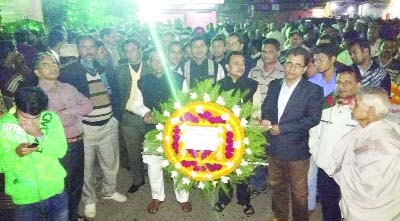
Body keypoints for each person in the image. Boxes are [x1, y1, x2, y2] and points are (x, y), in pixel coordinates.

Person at [59, 35, 126, 219]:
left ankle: (109, 190)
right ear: (78, 50)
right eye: (84, 47)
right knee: (86, 167)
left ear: (97, 48)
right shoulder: (70, 72)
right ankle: (89, 200)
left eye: (91, 47)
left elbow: (117, 93)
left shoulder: (105, 68)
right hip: (85, 128)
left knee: (111, 162)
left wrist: (116, 118)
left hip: (109, 125)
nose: (88, 51)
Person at [261, 47, 323, 221]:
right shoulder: (274, 85)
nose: (291, 68)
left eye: (297, 65)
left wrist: (283, 128)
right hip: (274, 146)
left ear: (304, 69)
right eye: (289, 63)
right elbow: (267, 108)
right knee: (276, 186)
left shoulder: (313, 90)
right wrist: (266, 119)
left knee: (299, 192)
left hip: (297, 149)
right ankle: (279, 217)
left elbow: (312, 119)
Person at [130, 47, 192, 214]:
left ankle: (183, 197)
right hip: (153, 129)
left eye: (161, 59)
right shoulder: (143, 81)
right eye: (154, 60)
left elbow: (187, 104)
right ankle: (157, 196)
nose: (158, 63)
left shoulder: (178, 79)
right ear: (149, 62)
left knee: (179, 164)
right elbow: (136, 104)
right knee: (154, 165)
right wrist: (145, 113)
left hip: (176, 129)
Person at [34, 52, 93, 221]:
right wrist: (67, 115)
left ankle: (72, 216)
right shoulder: (37, 94)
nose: (53, 67)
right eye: (46, 64)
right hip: (57, 147)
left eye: (54, 63)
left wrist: (66, 112)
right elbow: (46, 122)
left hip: (77, 143)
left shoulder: (68, 87)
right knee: (60, 187)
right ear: (37, 72)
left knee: (76, 184)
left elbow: (88, 105)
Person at [332, 86, 400, 221]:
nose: (351, 106)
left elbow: (371, 191)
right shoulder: (364, 130)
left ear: (371, 111)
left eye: (356, 103)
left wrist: (345, 173)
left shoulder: (384, 145)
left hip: (374, 213)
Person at [0, 86, 68, 221]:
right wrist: (15, 153)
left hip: (55, 188)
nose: (29, 124)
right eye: (24, 117)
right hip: (24, 196)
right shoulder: (3, 125)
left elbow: (60, 151)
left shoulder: (51, 118)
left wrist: (39, 135)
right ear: (15, 105)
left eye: (35, 118)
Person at [309, 68, 361, 221]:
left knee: (352, 207)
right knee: (328, 205)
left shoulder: (362, 112)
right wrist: (319, 156)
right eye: (339, 82)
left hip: (351, 170)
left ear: (358, 85)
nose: (342, 86)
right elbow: (314, 133)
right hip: (326, 167)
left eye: (348, 82)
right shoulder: (326, 107)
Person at [213, 51, 260, 216]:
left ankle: (244, 200)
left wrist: (253, 125)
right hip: (224, 134)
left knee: (243, 170)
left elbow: (257, 110)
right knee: (224, 168)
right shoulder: (218, 85)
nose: (240, 67)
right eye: (236, 63)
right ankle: (223, 199)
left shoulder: (252, 85)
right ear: (227, 66)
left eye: (242, 63)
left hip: (245, 133)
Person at [248, 38, 284, 195]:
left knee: (275, 154)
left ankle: (277, 186)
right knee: (256, 153)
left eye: (270, 51)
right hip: (255, 118)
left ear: (278, 53)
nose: (266, 54)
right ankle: (258, 185)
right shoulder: (253, 71)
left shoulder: (283, 72)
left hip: (275, 119)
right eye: (264, 51)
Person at [115, 38, 152, 194]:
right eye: (127, 51)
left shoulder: (151, 67)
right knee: (133, 151)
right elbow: (115, 94)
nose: (131, 53)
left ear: (140, 50)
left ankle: (155, 177)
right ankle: (138, 179)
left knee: (153, 150)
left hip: (149, 116)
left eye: (133, 49)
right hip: (129, 117)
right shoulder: (120, 71)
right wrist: (119, 114)